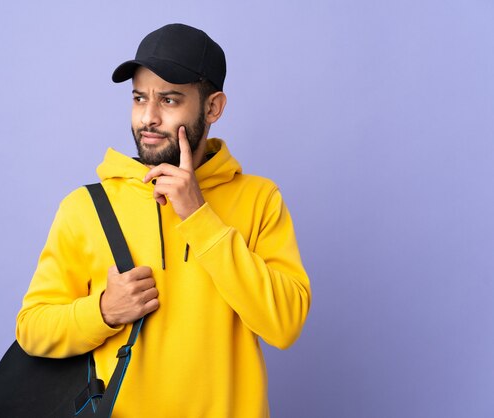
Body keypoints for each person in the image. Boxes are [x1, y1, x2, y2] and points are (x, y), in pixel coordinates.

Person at [16, 23, 311, 417]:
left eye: (169, 101)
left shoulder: (259, 200)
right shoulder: (85, 206)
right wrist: (103, 311)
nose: (148, 117)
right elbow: (32, 329)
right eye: (140, 98)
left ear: (213, 107)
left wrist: (200, 217)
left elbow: (285, 323)